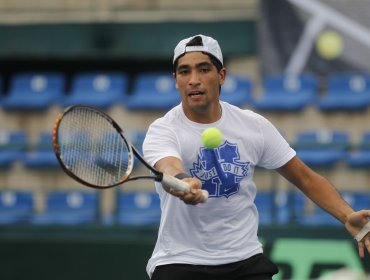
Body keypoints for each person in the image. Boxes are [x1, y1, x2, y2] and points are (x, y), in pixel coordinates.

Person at [142, 34, 370, 280]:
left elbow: (306, 178)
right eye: (184, 72)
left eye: (204, 69)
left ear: (222, 76)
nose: (194, 80)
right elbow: (168, 166)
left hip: (244, 262)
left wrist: (347, 215)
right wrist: (183, 181)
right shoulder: (163, 129)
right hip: (180, 262)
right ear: (176, 80)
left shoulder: (253, 125)